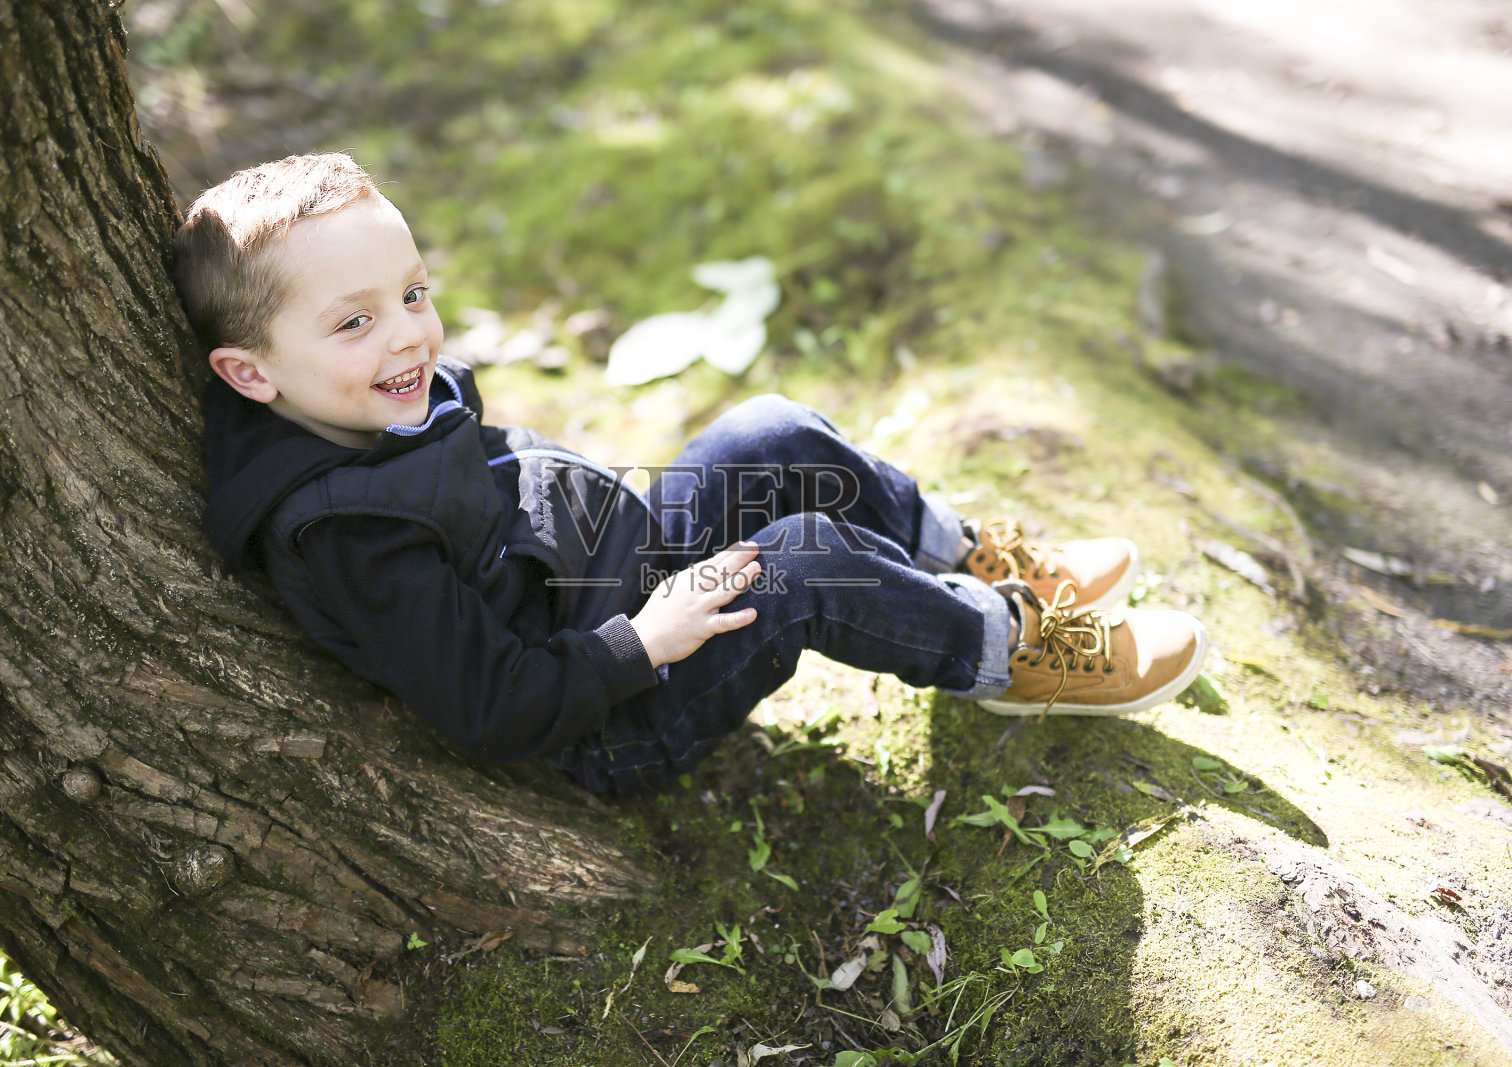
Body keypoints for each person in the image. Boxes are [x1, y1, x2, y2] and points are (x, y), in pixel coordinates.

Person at [174, 152, 1207, 794]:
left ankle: (974, 556)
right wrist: (644, 640)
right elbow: (490, 704)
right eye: (355, 319)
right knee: (799, 565)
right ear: (247, 373)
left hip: (610, 577)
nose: (407, 335)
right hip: (611, 710)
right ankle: (1010, 649)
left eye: (411, 292)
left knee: (769, 430)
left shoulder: (348, 394)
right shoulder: (345, 531)